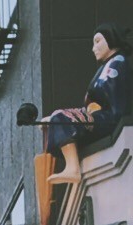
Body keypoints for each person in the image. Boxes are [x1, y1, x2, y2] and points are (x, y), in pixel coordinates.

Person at [44, 26, 131, 186]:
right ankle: (72, 166)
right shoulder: (110, 64)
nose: (93, 48)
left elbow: (110, 96)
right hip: (103, 115)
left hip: (110, 117)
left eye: (98, 41)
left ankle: (72, 168)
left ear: (111, 39)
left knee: (60, 117)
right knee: (57, 118)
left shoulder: (118, 63)